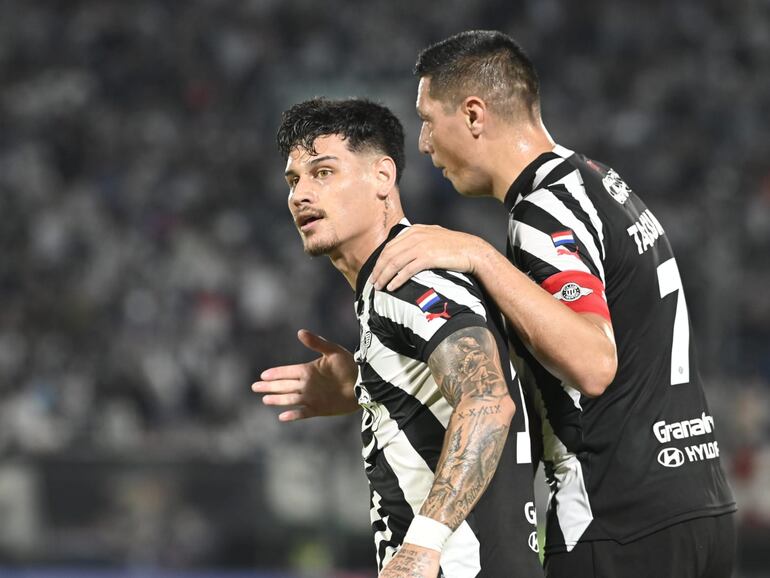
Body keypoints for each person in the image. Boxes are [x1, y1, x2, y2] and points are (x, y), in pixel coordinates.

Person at [256, 31, 737, 578]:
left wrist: (479, 254)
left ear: (475, 115)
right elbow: (531, 368)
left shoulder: (542, 208)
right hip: (695, 499)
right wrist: (374, 383)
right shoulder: (597, 182)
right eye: (293, 179)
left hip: (618, 515)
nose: (424, 144)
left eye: (429, 121)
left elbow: (591, 365)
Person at [268, 97, 543, 578]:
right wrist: (367, 384)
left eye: (323, 172)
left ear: (382, 176)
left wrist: (421, 546)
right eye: (294, 180)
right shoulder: (397, 284)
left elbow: (487, 400)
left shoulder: (409, 280)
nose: (300, 195)